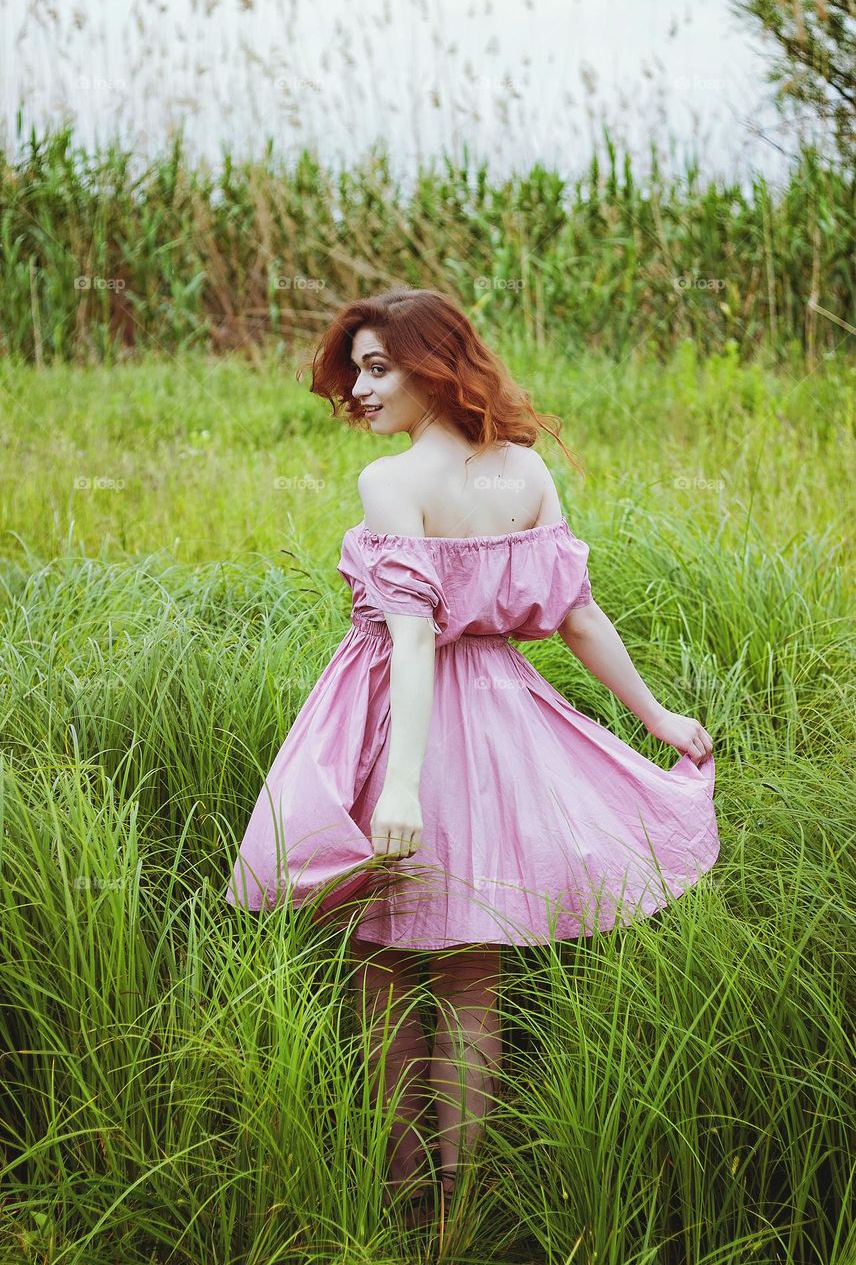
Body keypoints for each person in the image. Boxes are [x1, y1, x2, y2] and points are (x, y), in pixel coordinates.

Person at [225, 286, 718, 1231]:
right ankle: (458, 1202)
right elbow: (576, 613)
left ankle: (404, 1200)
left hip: (397, 729)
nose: (362, 391)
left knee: (381, 966)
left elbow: (415, 642)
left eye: (380, 368)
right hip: (503, 725)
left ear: (435, 366)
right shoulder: (523, 471)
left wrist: (400, 785)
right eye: (357, 371)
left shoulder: (391, 482)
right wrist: (653, 717)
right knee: (468, 972)